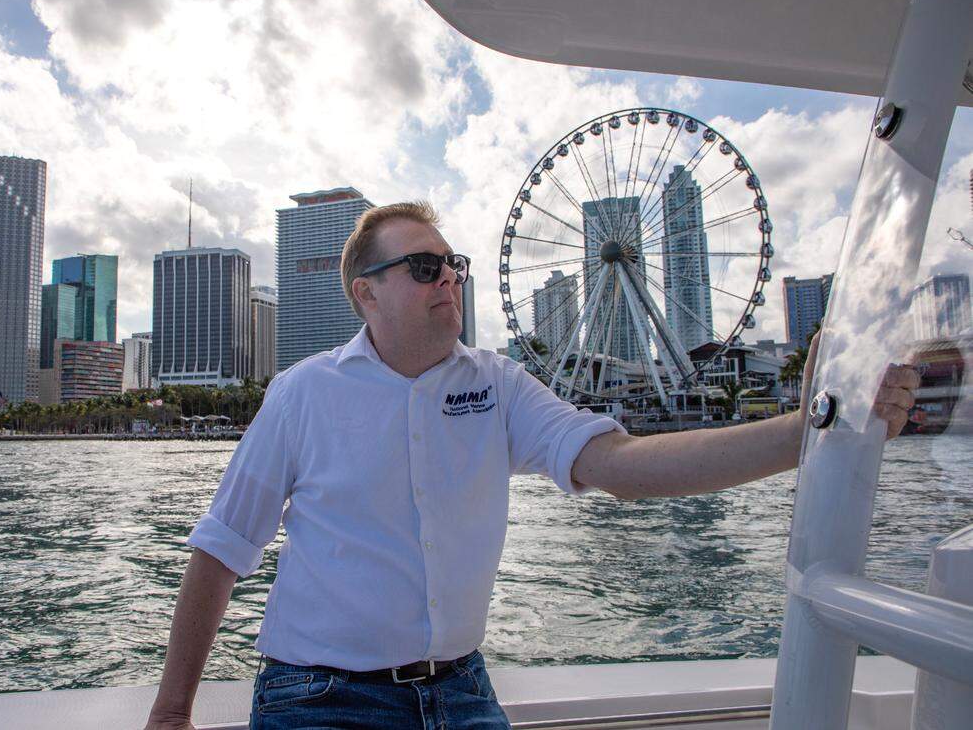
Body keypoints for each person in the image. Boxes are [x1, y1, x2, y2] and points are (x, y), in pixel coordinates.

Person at [144, 201, 919, 730]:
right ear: (365, 294)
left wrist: (808, 431)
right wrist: (173, 712)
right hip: (318, 697)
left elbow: (617, 463)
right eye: (422, 267)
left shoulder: (497, 382)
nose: (447, 277)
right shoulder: (303, 394)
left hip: (462, 689)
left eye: (452, 265)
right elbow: (221, 550)